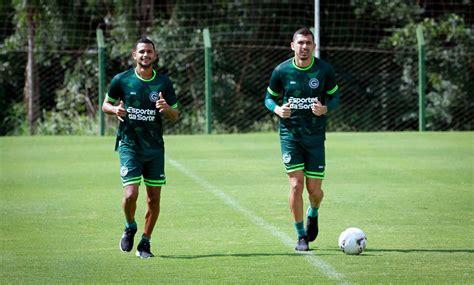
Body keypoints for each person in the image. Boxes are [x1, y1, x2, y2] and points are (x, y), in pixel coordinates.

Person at [264, 28, 340, 251]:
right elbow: (269, 98)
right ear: (292, 46)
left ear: (314, 46)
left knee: (315, 191)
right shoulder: (282, 71)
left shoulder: (324, 70)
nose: (304, 47)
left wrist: (325, 108)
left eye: (308, 43)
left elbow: (335, 97)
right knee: (296, 186)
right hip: (291, 136)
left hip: (315, 137)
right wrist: (278, 109)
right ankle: (301, 236)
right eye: (300, 43)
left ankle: (313, 212)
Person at [102, 37, 179, 258]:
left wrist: (166, 108)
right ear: (134, 55)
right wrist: (114, 110)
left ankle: (145, 243)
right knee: (130, 195)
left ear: (154, 56)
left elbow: (175, 114)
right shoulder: (122, 80)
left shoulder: (163, 83)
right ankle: (130, 226)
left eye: (149, 52)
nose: (145, 55)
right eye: (142, 52)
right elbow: (105, 104)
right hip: (130, 146)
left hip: (154, 149)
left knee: (153, 199)